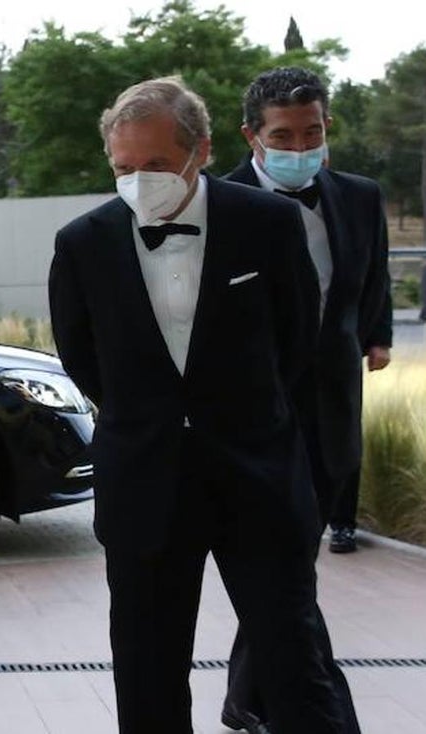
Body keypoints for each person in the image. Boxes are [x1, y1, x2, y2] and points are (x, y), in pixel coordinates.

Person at [48, 76, 348, 733]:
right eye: (124, 168)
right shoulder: (82, 244)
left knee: (294, 662)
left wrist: (235, 409)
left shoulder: (267, 223)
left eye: (155, 166)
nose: (138, 182)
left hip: (258, 476)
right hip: (145, 483)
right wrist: (155, 415)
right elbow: (83, 357)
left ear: (201, 150)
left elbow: (298, 338)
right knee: (147, 672)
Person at [222, 66, 393, 734]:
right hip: (252, 424)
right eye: (285, 135)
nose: (302, 147)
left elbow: (369, 275)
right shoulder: (218, 201)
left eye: (313, 132)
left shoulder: (359, 195)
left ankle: (245, 699)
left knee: (286, 573)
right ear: (252, 136)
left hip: (329, 416)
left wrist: (375, 335)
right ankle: (324, 713)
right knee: (284, 576)